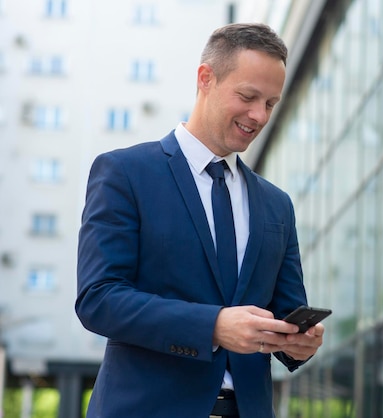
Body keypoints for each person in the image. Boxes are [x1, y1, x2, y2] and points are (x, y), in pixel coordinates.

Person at [75, 23, 324, 418]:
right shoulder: (125, 173)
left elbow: (284, 313)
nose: (259, 116)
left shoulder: (278, 205)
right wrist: (213, 325)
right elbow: (99, 299)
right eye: (248, 96)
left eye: (271, 104)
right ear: (205, 78)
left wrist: (298, 343)